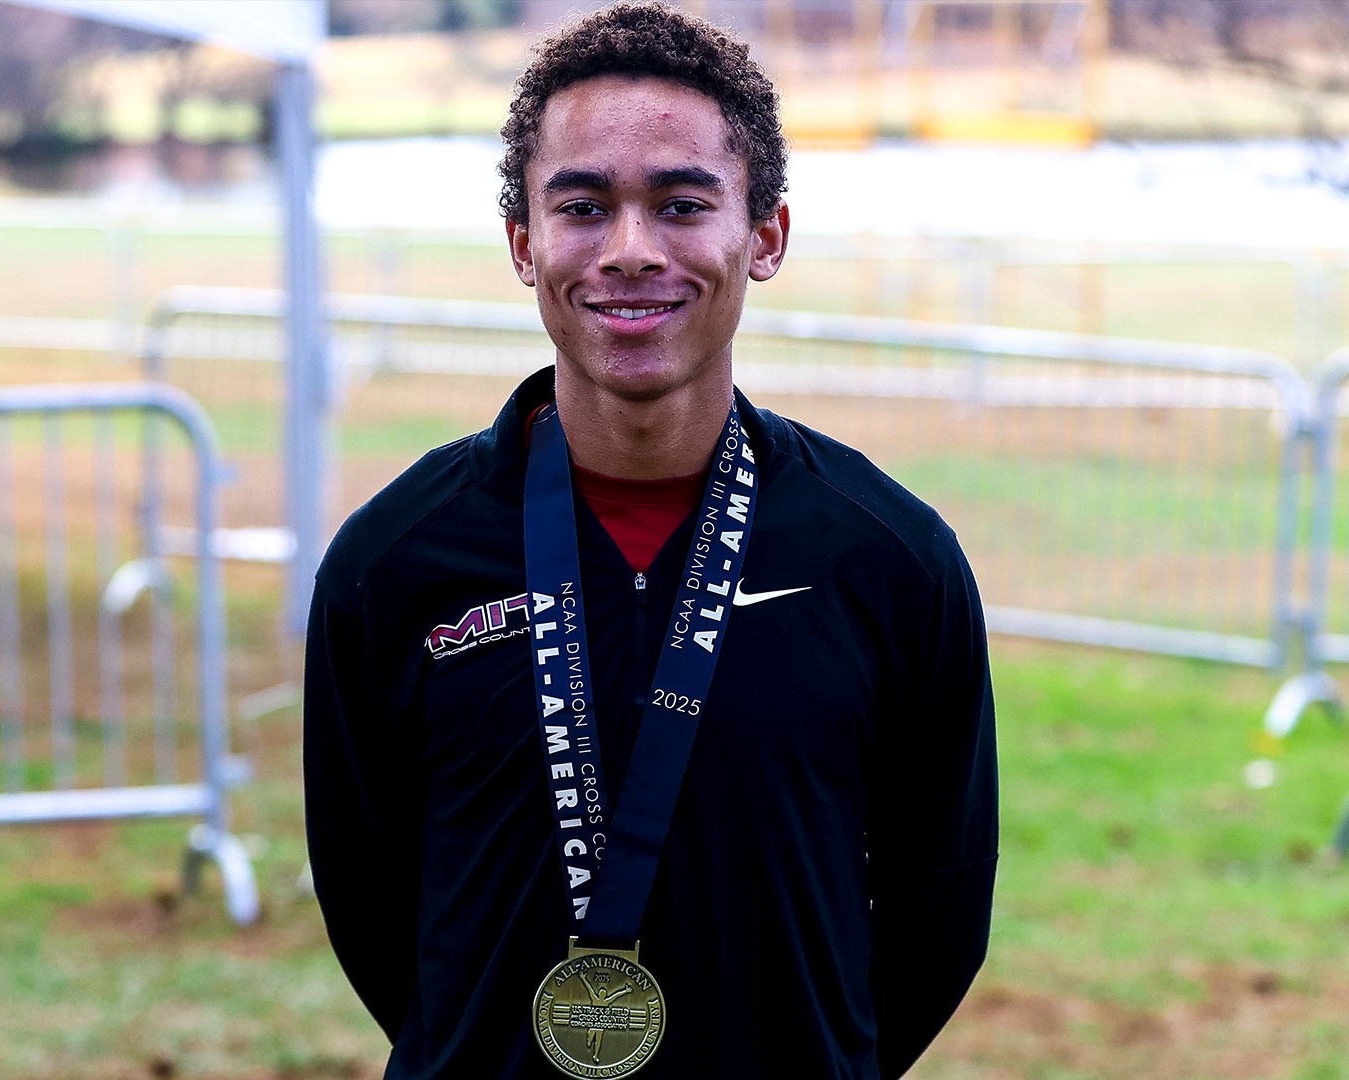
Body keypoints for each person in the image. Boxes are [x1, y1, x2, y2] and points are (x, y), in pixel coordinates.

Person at [303, 4, 997, 1077]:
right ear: (525, 245)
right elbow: (368, 895)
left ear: (763, 236)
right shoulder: (395, 561)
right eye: (584, 206)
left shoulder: (888, 559)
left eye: (681, 204)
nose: (631, 251)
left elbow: (936, 914)